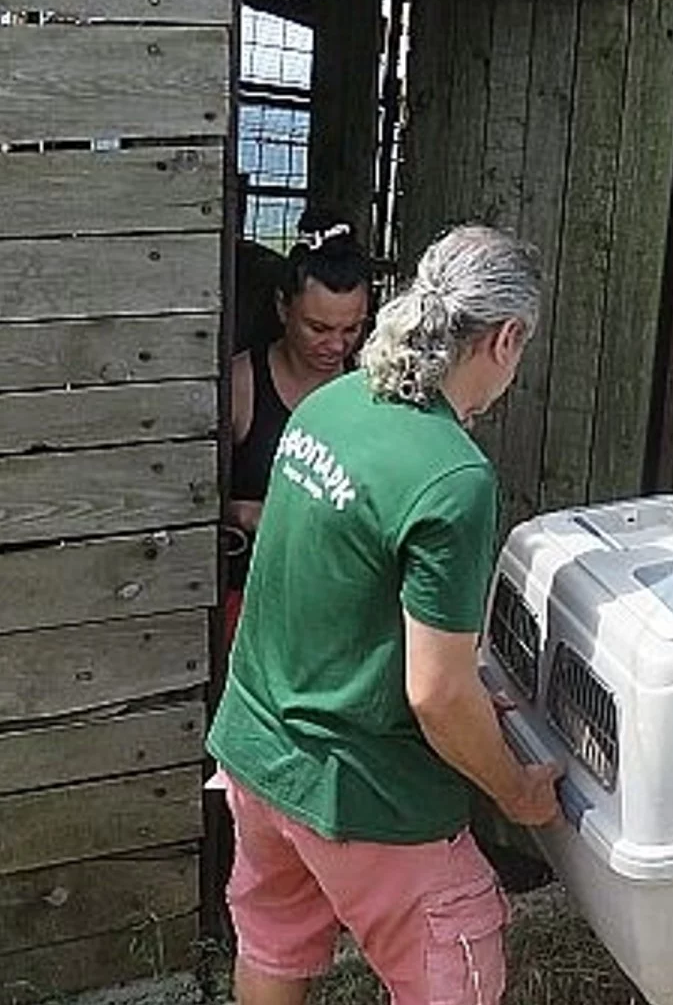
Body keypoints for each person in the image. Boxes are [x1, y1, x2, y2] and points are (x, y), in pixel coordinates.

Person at [208, 225, 561, 1005]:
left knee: (274, 941)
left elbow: (338, 589)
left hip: (259, 749)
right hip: (360, 788)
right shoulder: (451, 475)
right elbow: (436, 695)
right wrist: (516, 790)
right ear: (506, 338)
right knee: (456, 955)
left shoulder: (333, 404)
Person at [223, 212, 373, 643]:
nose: (336, 345)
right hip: (250, 600)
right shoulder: (240, 385)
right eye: (318, 327)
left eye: (353, 329)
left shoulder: (369, 389)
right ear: (282, 307)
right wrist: (243, 513)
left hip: (341, 602)